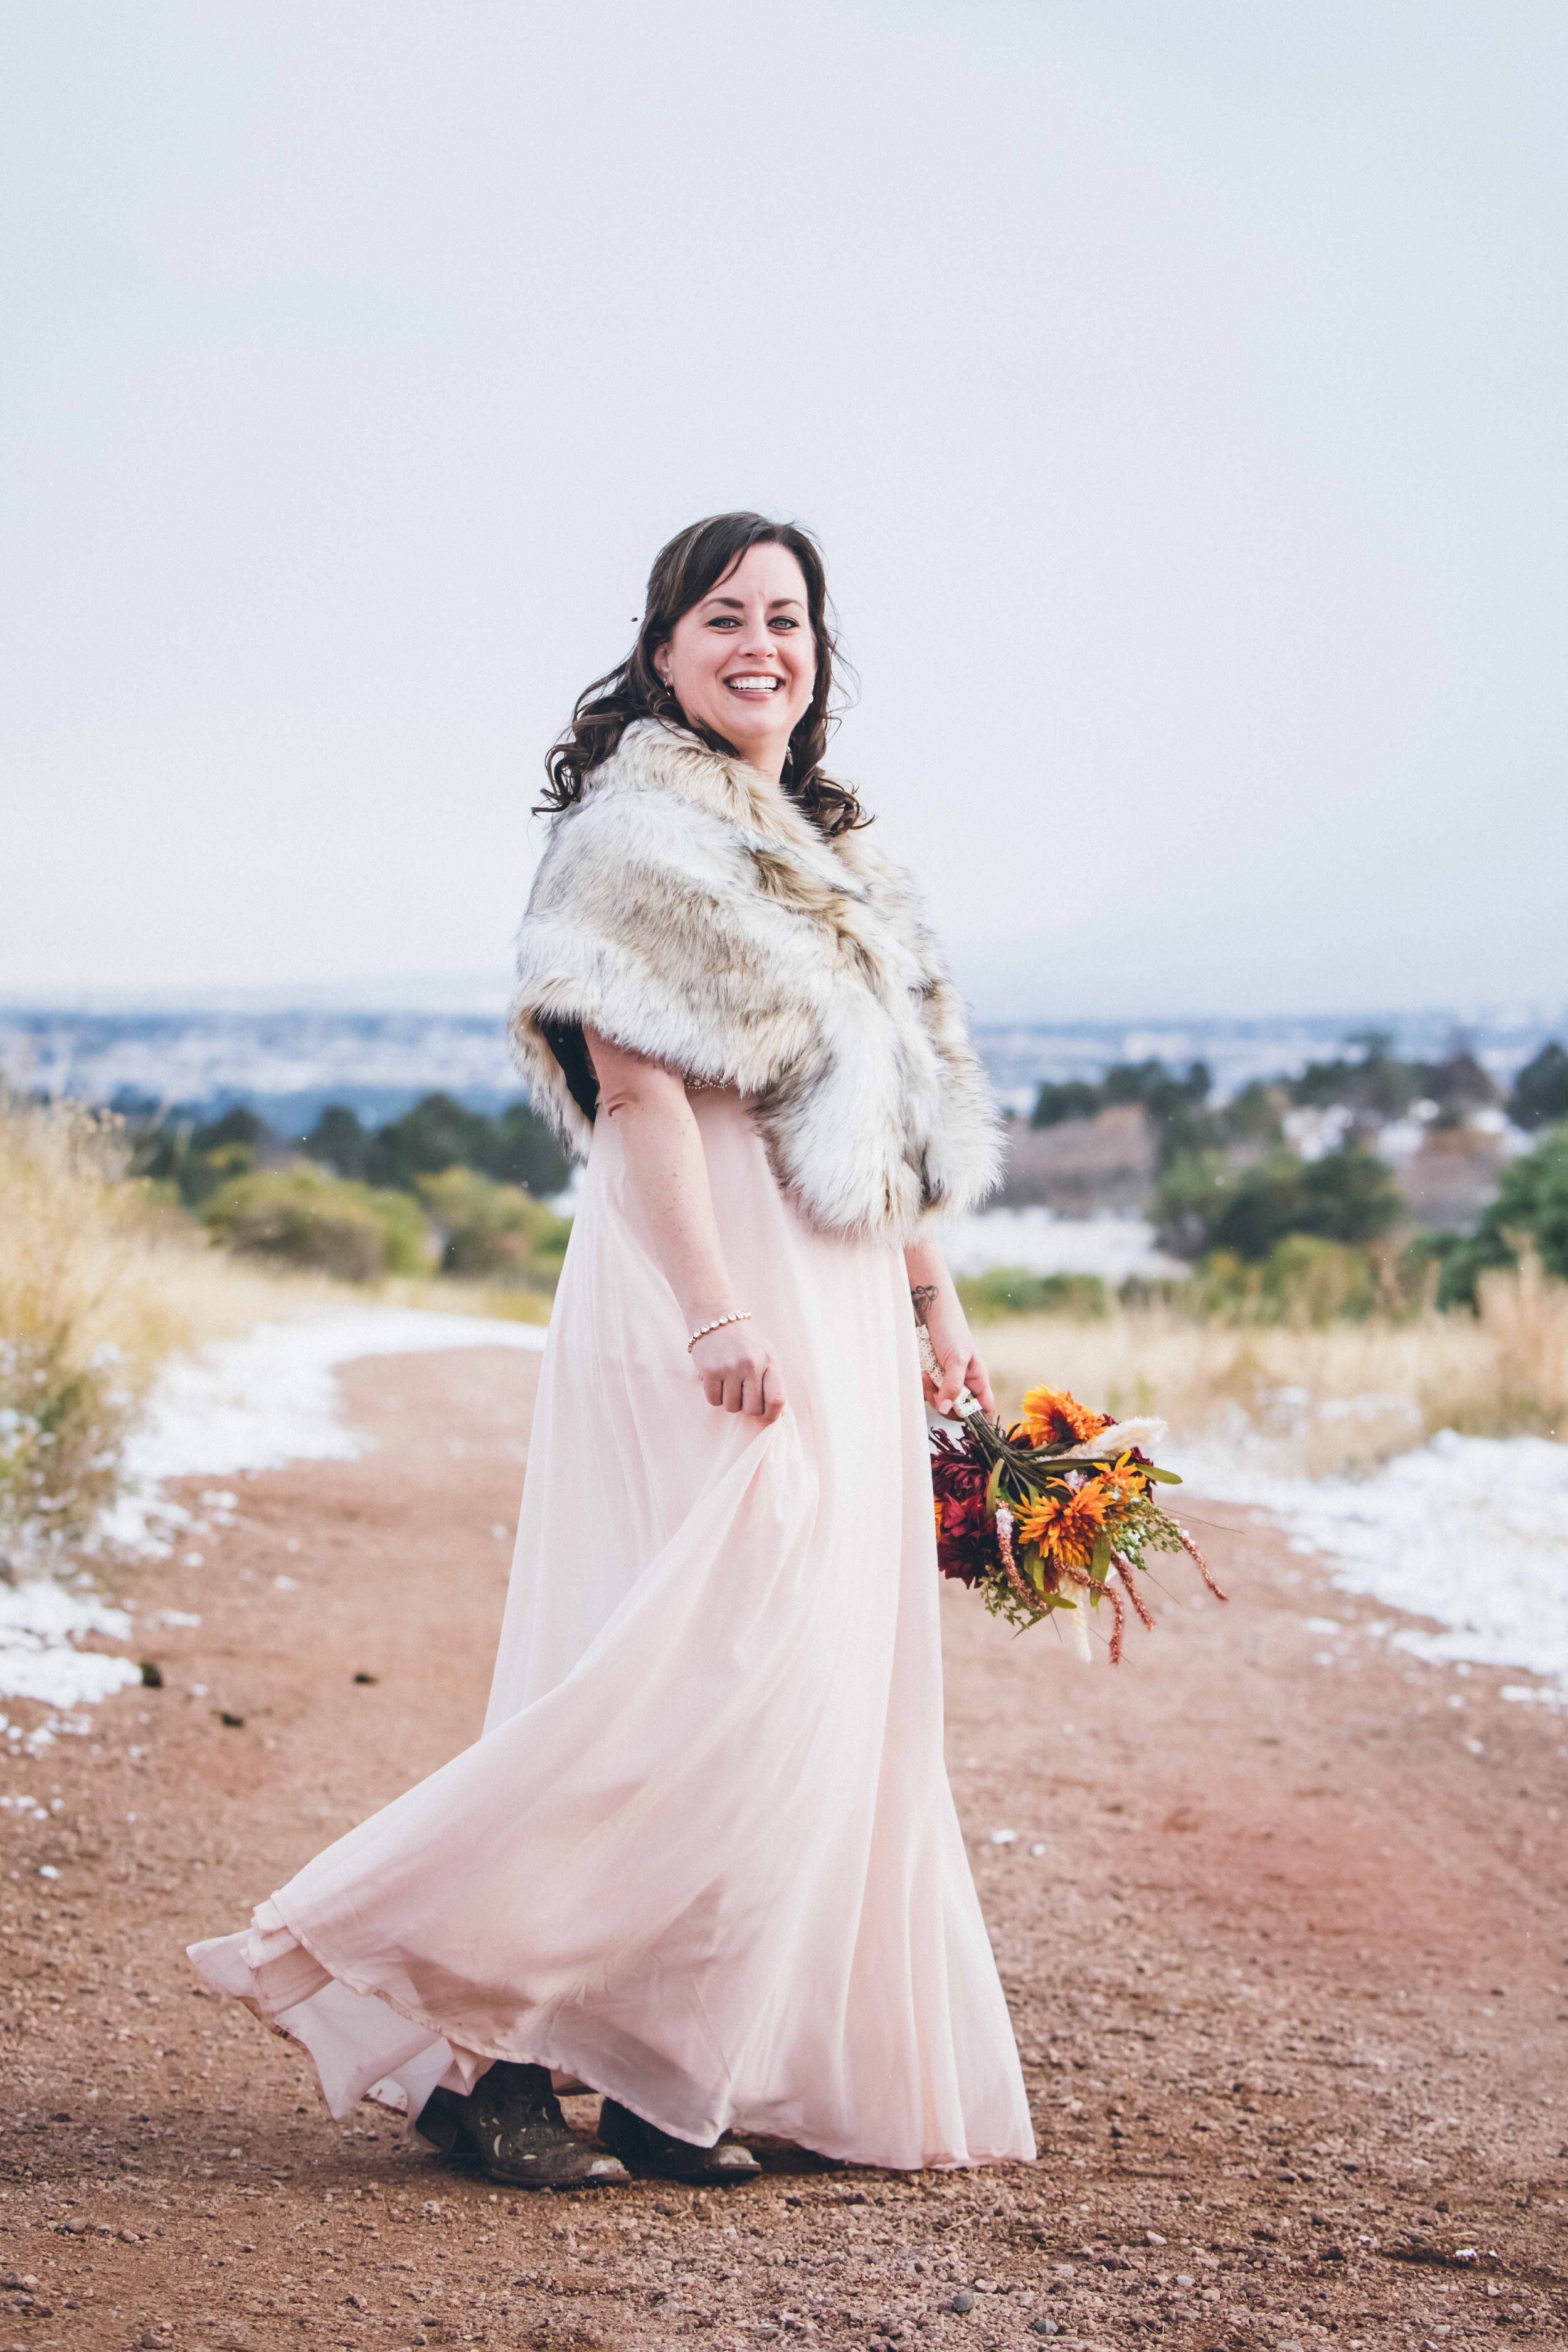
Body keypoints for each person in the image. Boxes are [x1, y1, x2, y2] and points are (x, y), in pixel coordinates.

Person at [189, 511, 1036, 2186]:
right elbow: (639, 1095)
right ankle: (472, 2051)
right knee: (686, 1673)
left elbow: (890, 1118)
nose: (760, 644)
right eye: (723, 616)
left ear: (817, 653)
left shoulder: (841, 858)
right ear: (661, 651)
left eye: (786, 618)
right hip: (701, 1281)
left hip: (843, 1286)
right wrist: (716, 1311)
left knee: (818, 1690)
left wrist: (934, 1308)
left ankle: (691, 2072)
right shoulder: (630, 837)